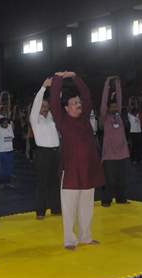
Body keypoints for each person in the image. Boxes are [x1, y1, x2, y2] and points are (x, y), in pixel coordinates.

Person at [49, 71, 104, 250]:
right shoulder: (62, 120)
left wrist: (75, 77)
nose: (78, 105)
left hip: (88, 170)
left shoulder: (85, 119)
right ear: (67, 108)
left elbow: (87, 96)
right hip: (71, 171)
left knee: (87, 206)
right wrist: (58, 79)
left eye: (78, 103)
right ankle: (69, 240)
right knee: (70, 208)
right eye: (74, 103)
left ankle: (85, 237)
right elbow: (54, 102)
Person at [29, 77, 61, 219]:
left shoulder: (51, 118)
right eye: (43, 106)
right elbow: (36, 104)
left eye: (46, 106)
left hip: (56, 152)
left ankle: (56, 208)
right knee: (42, 183)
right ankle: (40, 212)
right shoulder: (35, 119)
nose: (45, 108)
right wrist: (43, 87)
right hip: (43, 153)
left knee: (55, 182)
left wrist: (55, 88)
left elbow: (57, 103)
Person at [100, 76, 130, 207]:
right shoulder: (105, 117)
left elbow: (120, 99)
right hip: (110, 155)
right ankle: (106, 200)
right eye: (111, 106)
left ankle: (121, 199)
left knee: (122, 179)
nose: (114, 107)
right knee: (109, 180)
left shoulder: (120, 116)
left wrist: (118, 84)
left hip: (123, 154)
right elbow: (103, 101)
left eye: (116, 106)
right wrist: (107, 84)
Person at [0, 104, 15, 188]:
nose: (6, 124)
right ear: (1, 124)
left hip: (10, 151)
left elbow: (9, 117)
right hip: (1, 152)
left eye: (7, 122)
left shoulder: (10, 128)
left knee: (9, 168)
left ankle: (8, 182)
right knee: (2, 169)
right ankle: (1, 183)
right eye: (4, 123)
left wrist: (9, 107)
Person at [128, 97, 142, 164]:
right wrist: (130, 100)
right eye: (134, 111)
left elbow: (138, 108)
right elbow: (129, 108)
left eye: (136, 111)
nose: (136, 112)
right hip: (133, 133)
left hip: (138, 132)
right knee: (134, 146)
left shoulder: (137, 115)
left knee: (139, 146)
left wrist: (136, 101)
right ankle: (133, 159)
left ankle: (138, 159)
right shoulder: (130, 116)